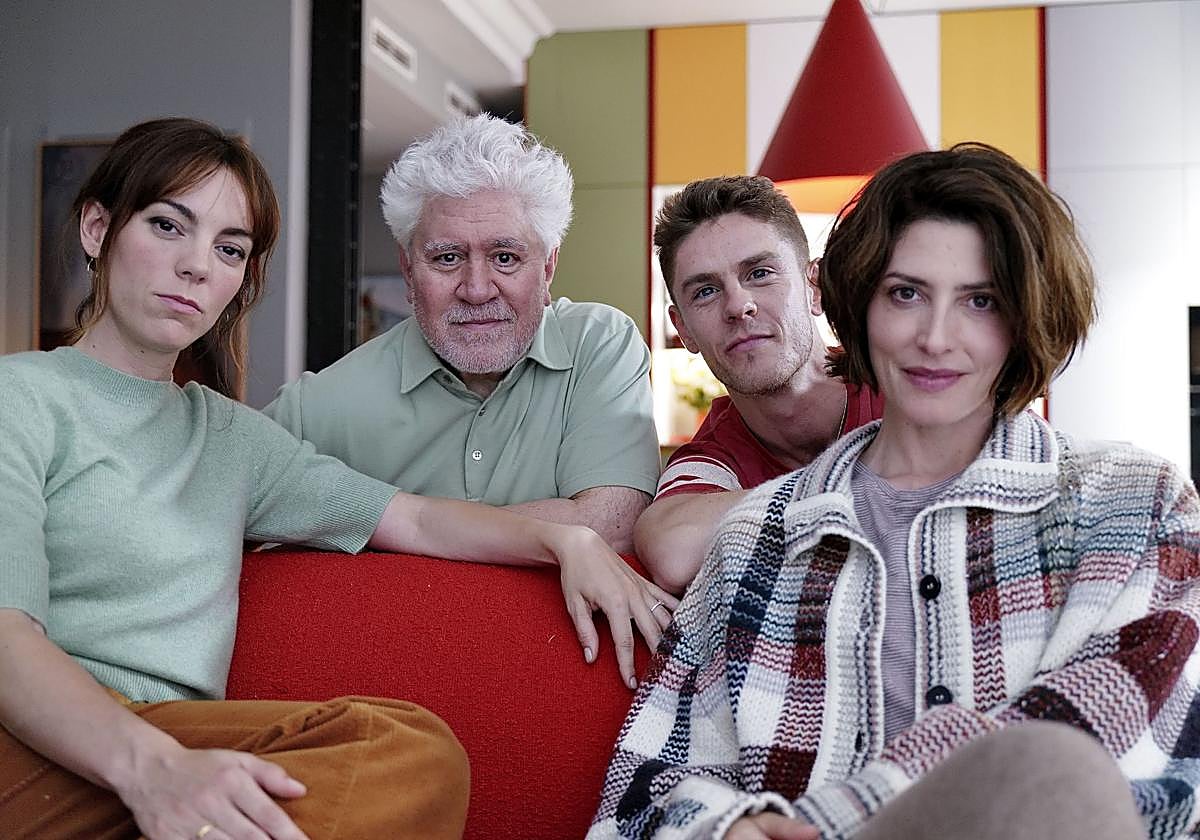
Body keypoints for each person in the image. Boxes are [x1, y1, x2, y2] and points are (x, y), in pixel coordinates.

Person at [0, 117, 676, 840]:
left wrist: (560, 542)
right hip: (42, 737)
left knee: (410, 754)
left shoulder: (234, 438)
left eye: (230, 249)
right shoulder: (21, 397)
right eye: (169, 226)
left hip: (169, 744)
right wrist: (150, 767)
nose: (198, 266)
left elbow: (411, 518)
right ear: (98, 229)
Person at [589, 144, 1200, 840]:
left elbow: (1095, 751)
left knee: (1053, 771)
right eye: (906, 293)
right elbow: (645, 790)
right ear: (861, 304)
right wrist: (726, 827)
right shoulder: (749, 539)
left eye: (980, 300)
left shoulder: (1135, 502)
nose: (936, 337)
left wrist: (828, 825)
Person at [263, 114, 660, 553]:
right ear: (409, 270)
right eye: (447, 258)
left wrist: (376, 526)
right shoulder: (318, 407)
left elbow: (613, 525)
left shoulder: (600, 343)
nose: (476, 290)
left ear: (548, 268)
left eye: (505, 257)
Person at [635, 176, 883, 593]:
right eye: (706, 291)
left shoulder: (899, 389)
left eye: (761, 273)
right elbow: (673, 550)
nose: (738, 306)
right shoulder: (715, 455)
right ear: (685, 330)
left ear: (815, 288)